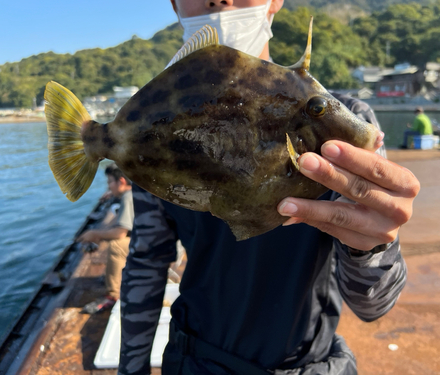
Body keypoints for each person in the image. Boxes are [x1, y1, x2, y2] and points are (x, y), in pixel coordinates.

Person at [118, 1, 420, 374]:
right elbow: (147, 261)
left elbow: (373, 305)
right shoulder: (158, 127)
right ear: (175, 4)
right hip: (193, 363)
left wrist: (373, 244)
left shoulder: (347, 123)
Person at [78, 163, 134, 314]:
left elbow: (120, 233)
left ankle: (113, 295)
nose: (109, 187)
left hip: (156, 245)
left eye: (110, 182)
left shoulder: (128, 197)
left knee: (117, 245)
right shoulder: (135, 190)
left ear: (121, 181)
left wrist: (95, 234)